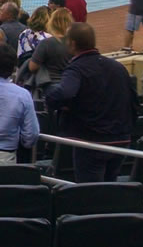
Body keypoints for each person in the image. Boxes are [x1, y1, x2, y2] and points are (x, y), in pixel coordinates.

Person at [45, 23, 137, 182]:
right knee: (110, 188)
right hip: (121, 139)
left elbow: (64, 93)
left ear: (72, 44)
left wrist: (49, 94)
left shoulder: (76, 69)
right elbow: (134, 99)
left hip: (93, 143)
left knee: (90, 193)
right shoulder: (118, 67)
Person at [25, 8, 73, 97]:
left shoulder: (46, 43)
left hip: (51, 86)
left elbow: (32, 67)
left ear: (52, 23)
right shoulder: (75, 42)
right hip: (72, 83)